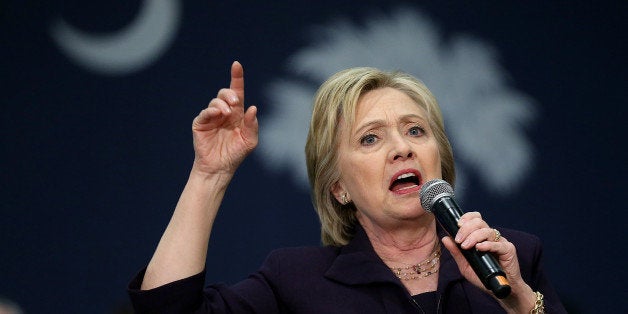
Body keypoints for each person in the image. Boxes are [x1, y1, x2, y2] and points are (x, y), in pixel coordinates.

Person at [128, 61, 566, 313]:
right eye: (370, 138)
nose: (401, 149)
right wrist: (209, 175)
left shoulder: (515, 257)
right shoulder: (295, 282)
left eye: (415, 130)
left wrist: (522, 302)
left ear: (440, 159)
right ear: (338, 187)